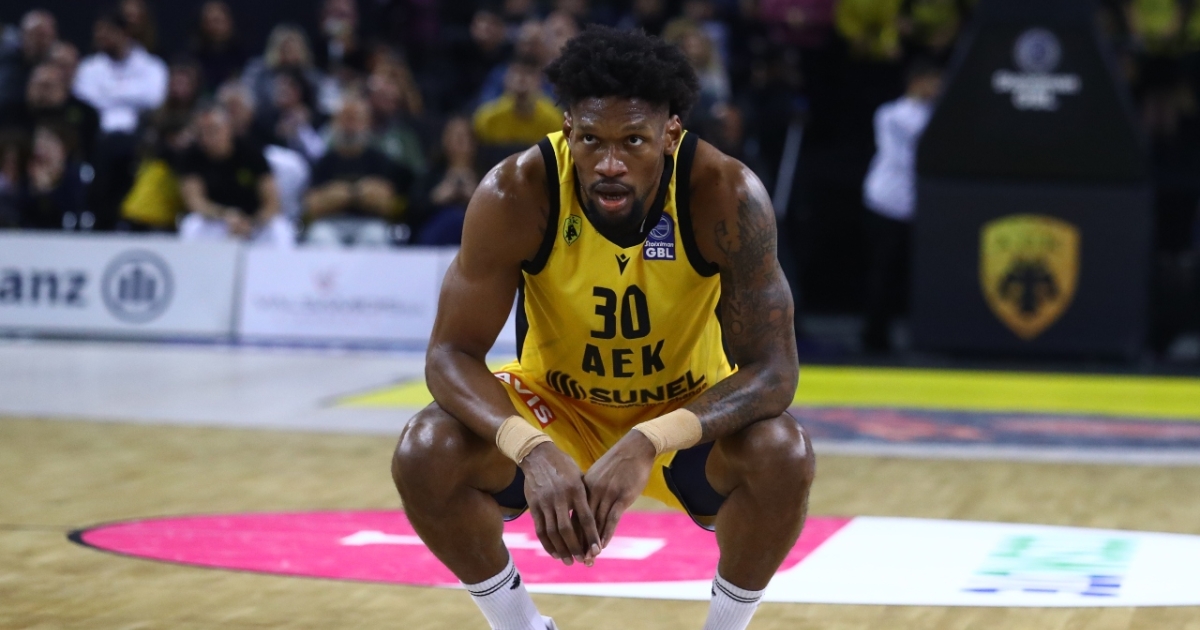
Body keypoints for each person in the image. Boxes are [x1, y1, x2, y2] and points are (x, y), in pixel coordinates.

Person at [392, 26, 812, 630]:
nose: (610, 164)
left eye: (633, 140)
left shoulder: (724, 193)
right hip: (556, 408)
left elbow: (774, 372)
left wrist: (650, 440)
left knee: (783, 453)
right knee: (425, 451)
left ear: (671, 134)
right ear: (567, 128)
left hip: (682, 412)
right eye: (591, 139)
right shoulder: (516, 192)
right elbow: (449, 355)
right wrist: (530, 448)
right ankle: (520, 625)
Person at [860, 59, 941, 353]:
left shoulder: (937, 114)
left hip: (921, 205)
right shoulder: (891, 114)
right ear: (917, 82)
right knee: (883, 272)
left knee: (916, 275)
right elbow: (903, 156)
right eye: (934, 81)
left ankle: (922, 336)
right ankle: (874, 336)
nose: (938, 87)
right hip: (887, 201)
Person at [178, 105, 292, 247]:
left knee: (279, 228)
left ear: (228, 128)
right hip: (216, 220)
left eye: (213, 130)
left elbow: (272, 201)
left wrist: (252, 222)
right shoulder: (192, 156)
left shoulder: (251, 152)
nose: (207, 138)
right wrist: (225, 215)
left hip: (253, 222)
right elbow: (195, 201)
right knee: (192, 224)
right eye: (201, 132)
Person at [303, 98, 409, 247]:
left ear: (367, 123)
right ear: (334, 123)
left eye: (355, 119)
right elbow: (311, 207)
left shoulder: (379, 160)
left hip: (369, 222)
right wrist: (362, 193)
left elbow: (388, 205)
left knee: (375, 236)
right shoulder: (324, 162)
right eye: (345, 118)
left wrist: (342, 194)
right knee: (319, 236)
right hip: (331, 222)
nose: (349, 126)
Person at [473, 57, 564, 148]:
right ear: (506, 79)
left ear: (539, 81)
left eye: (529, 73)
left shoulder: (554, 120)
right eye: (516, 73)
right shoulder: (487, 118)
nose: (521, 79)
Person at [0, 10, 57, 108]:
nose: (38, 41)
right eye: (33, 34)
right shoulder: (6, 62)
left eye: (43, 35)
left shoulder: (60, 65)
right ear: (22, 35)